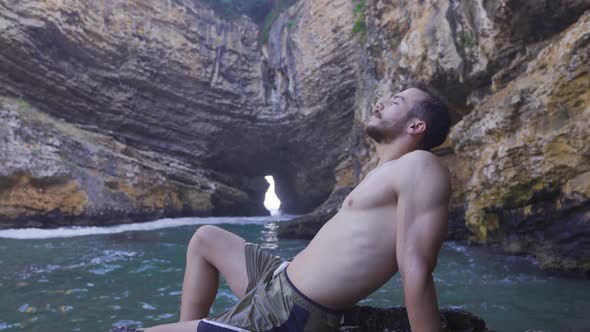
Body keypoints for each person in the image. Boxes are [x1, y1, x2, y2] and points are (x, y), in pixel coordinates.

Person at [145, 82, 453, 332]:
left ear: (416, 125)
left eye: (396, 101)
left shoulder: (421, 166)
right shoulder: (381, 173)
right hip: (275, 278)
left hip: (290, 313)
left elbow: (416, 268)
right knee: (205, 237)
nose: (381, 102)